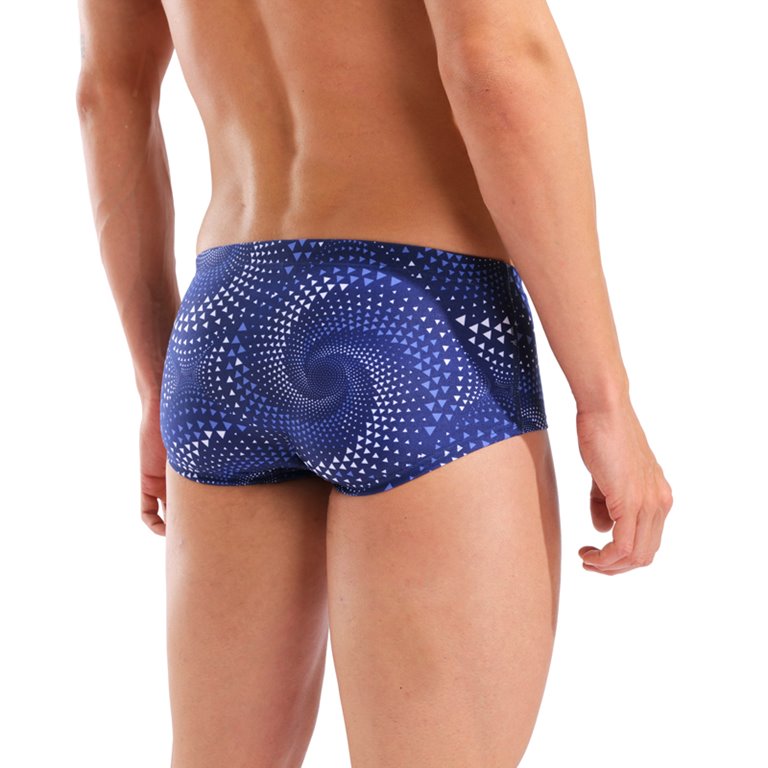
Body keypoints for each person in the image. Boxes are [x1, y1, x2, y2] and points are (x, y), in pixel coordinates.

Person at [76, 0, 674, 765]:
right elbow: (496, 60)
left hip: (227, 324)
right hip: (415, 317)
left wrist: (154, 379)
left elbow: (108, 91)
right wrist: (604, 400)